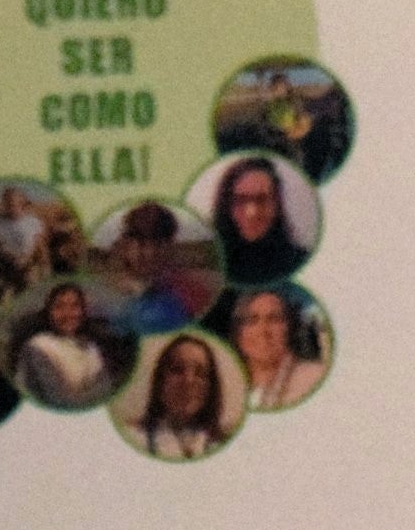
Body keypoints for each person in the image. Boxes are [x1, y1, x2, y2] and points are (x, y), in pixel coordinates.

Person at [124, 331, 238, 461]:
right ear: (160, 381)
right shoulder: (133, 438)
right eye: (177, 369)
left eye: (200, 373)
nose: (188, 381)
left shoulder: (230, 445)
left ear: (212, 387)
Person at [15, 281, 127, 411]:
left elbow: (106, 385)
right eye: (59, 306)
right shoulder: (37, 347)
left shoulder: (89, 345)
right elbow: (62, 401)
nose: (67, 313)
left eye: (74, 306)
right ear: (48, 311)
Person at [207, 156, 313, 286]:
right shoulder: (210, 267)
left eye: (262, 200)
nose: (251, 212)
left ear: (277, 204)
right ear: (226, 206)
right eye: (240, 200)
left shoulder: (302, 263)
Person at [223, 285, 329, 413]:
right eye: (252, 321)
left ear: (290, 329)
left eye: (274, 319)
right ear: (238, 332)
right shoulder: (222, 387)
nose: (263, 331)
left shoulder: (313, 377)